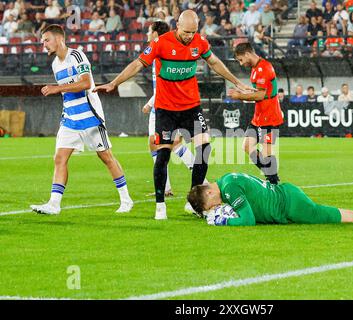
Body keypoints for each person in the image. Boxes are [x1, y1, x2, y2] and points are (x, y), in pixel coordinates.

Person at [94, 10, 252, 219]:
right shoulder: (161, 43)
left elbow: (214, 62)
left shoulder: (199, 42)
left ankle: (194, 200)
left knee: (204, 149)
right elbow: (137, 64)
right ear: (177, 25)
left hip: (191, 106)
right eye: (186, 32)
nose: (189, 36)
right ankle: (160, 205)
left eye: (193, 32)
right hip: (166, 109)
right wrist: (114, 83)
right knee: (164, 154)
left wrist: (237, 81)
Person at [30, 24, 133, 215]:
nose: (43, 44)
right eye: (43, 41)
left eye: (46, 40)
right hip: (70, 118)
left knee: (106, 157)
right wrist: (60, 94)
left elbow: (86, 83)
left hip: (90, 117)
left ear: (59, 39)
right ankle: (54, 204)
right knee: (59, 158)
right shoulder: (55, 65)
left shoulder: (77, 56)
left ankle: (126, 200)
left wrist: (57, 88)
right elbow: (68, 92)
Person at [187, 173, 353, 225]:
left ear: (209, 191)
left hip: (293, 207)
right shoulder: (227, 179)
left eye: (213, 204)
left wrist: (222, 222)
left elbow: (248, 220)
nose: (217, 206)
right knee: (347, 214)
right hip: (287, 194)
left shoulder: (229, 189)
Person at [141, 21, 204, 198]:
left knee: (169, 145)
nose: (147, 34)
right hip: (160, 104)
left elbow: (169, 84)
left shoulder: (164, 52)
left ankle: (200, 182)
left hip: (169, 106)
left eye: (149, 31)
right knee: (160, 145)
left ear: (155, 34)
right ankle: (167, 187)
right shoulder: (157, 52)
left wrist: (150, 103)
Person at [229, 42, 284, 185]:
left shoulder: (264, 68)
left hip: (270, 116)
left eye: (241, 59)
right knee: (247, 146)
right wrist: (246, 92)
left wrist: (239, 96)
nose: (241, 64)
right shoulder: (255, 68)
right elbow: (261, 92)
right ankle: (270, 175)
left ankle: (273, 183)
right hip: (259, 116)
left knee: (267, 152)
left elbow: (260, 96)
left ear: (247, 54)